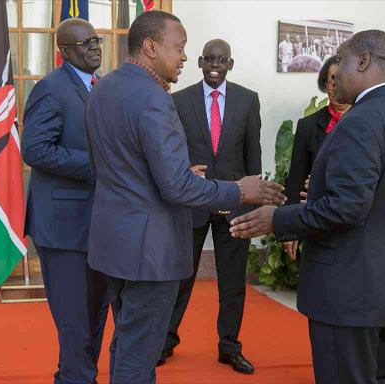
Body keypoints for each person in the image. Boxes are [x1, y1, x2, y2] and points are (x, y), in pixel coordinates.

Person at [84, 11, 285, 384]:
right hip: (149, 251)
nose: (183, 57)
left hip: (113, 242)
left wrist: (170, 175)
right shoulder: (156, 99)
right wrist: (240, 189)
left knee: (126, 340)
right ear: (150, 46)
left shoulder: (103, 88)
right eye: (179, 48)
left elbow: (108, 167)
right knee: (139, 354)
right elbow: (176, 187)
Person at [229, 30, 385, 384]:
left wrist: (277, 218)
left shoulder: (359, 121)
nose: (334, 71)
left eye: (340, 60)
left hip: (351, 292)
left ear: (364, 61)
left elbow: (347, 210)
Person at [156, 39, 260, 374]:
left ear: (230, 64)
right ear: (200, 62)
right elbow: (171, 150)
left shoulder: (247, 100)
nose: (215, 64)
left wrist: (253, 200)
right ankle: (165, 342)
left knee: (232, 282)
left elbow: (252, 157)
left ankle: (230, 347)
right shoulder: (180, 100)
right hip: (192, 202)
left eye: (222, 59)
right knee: (181, 277)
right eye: (209, 58)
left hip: (234, 204)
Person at [21, 18, 109, 384]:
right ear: (64, 52)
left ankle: (72, 377)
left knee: (94, 318)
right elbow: (34, 150)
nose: (94, 47)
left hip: (99, 225)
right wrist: (97, 166)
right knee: (75, 326)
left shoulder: (101, 87)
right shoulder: (51, 89)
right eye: (84, 43)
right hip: (61, 228)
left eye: (96, 39)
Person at [284, 55, 351, 260]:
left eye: (339, 80)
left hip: (352, 222)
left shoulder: (367, 122)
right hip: (314, 219)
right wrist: (290, 228)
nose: (334, 86)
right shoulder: (308, 125)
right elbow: (296, 179)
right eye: (330, 80)